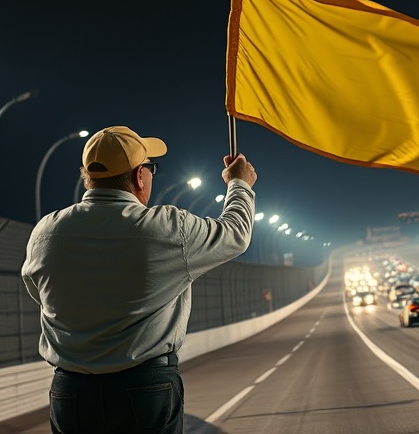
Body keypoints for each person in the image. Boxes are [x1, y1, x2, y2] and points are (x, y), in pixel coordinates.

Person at [21, 125, 257, 434]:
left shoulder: (46, 232)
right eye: (150, 167)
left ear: (88, 176)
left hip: (70, 392)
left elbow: (39, 292)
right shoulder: (167, 228)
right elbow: (235, 234)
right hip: (145, 388)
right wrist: (239, 183)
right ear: (139, 177)